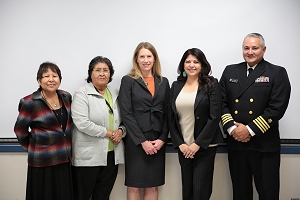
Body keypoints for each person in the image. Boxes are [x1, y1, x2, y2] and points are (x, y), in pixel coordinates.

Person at [219, 33, 291, 200]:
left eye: (254, 48)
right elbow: (221, 103)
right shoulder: (230, 70)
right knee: (240, 194)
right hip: (237, 144)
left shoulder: (276, 73)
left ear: (264, 50)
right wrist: (232, 129)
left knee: (268, 194)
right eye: (246, 48)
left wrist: (249, 130)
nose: (250, 52)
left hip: (264, 145)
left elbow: (277, 108)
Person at [168, 48, 223, 200]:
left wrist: (197, 144)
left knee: (200, 191)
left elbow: (214, 116)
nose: (191, 65)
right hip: (184, 148)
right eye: (188, 62)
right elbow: (171, 117)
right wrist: (180, 143)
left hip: (204, 147)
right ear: (183, 65)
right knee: (188, 191)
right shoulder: (176, 86)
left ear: (202, 65)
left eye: (196, 62)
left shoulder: (211, 84)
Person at [14, 62, 73, 200]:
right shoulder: (30, 102)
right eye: (46, 76)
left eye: (55, 76)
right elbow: (19, 130)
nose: (51, 79)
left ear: (60, 79)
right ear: (39, 81)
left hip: (64, 159)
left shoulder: (66, 97)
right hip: (42, 161)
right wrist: (34, 147)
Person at [119, 42, 170, 200]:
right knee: (134, 185)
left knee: (152, 184)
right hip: (136, 141)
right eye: (142, 56)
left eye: (149, 56)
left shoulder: (163, 81)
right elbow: (126, 113)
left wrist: (162, 139)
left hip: (157, 141)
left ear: (154, 59)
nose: (146, 60)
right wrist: (142, 141)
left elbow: (168, 113)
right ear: (136, 59)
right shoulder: (128, 80)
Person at [71, 56, 126, 200]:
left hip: (111, 156)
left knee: (102, 196)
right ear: (91, 74)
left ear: (110, 74)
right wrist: (108, 133)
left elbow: (125, 118)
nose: (102, 74)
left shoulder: (115, 93)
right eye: (98, 70)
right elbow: (82, 122)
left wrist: (121, 131)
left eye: (106, 70)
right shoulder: (82, 93)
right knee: (82, 196)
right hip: (88, 157)